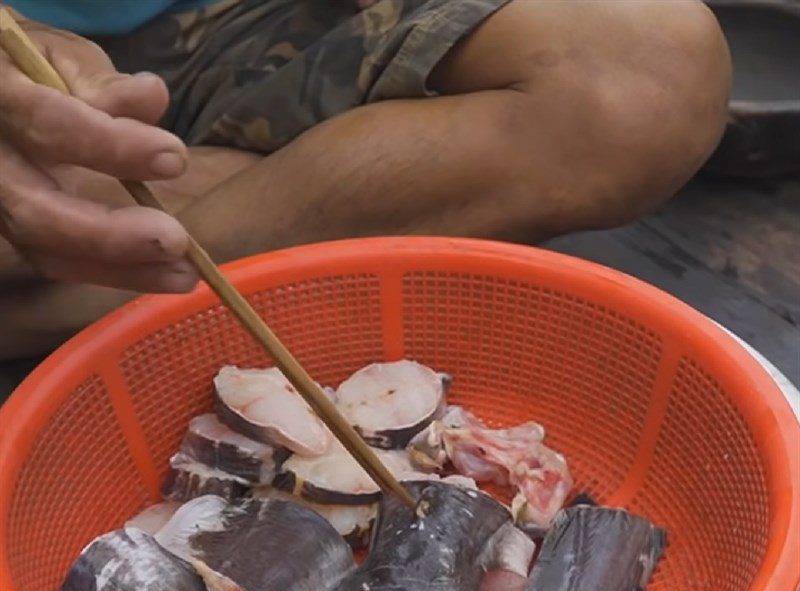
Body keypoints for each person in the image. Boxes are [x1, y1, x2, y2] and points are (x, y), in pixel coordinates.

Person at [0, 0, 731, 358]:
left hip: (241, 13)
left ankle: (80, 301)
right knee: (44, 195)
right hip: (30, 59)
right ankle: (300, 199)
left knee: (644, 80)